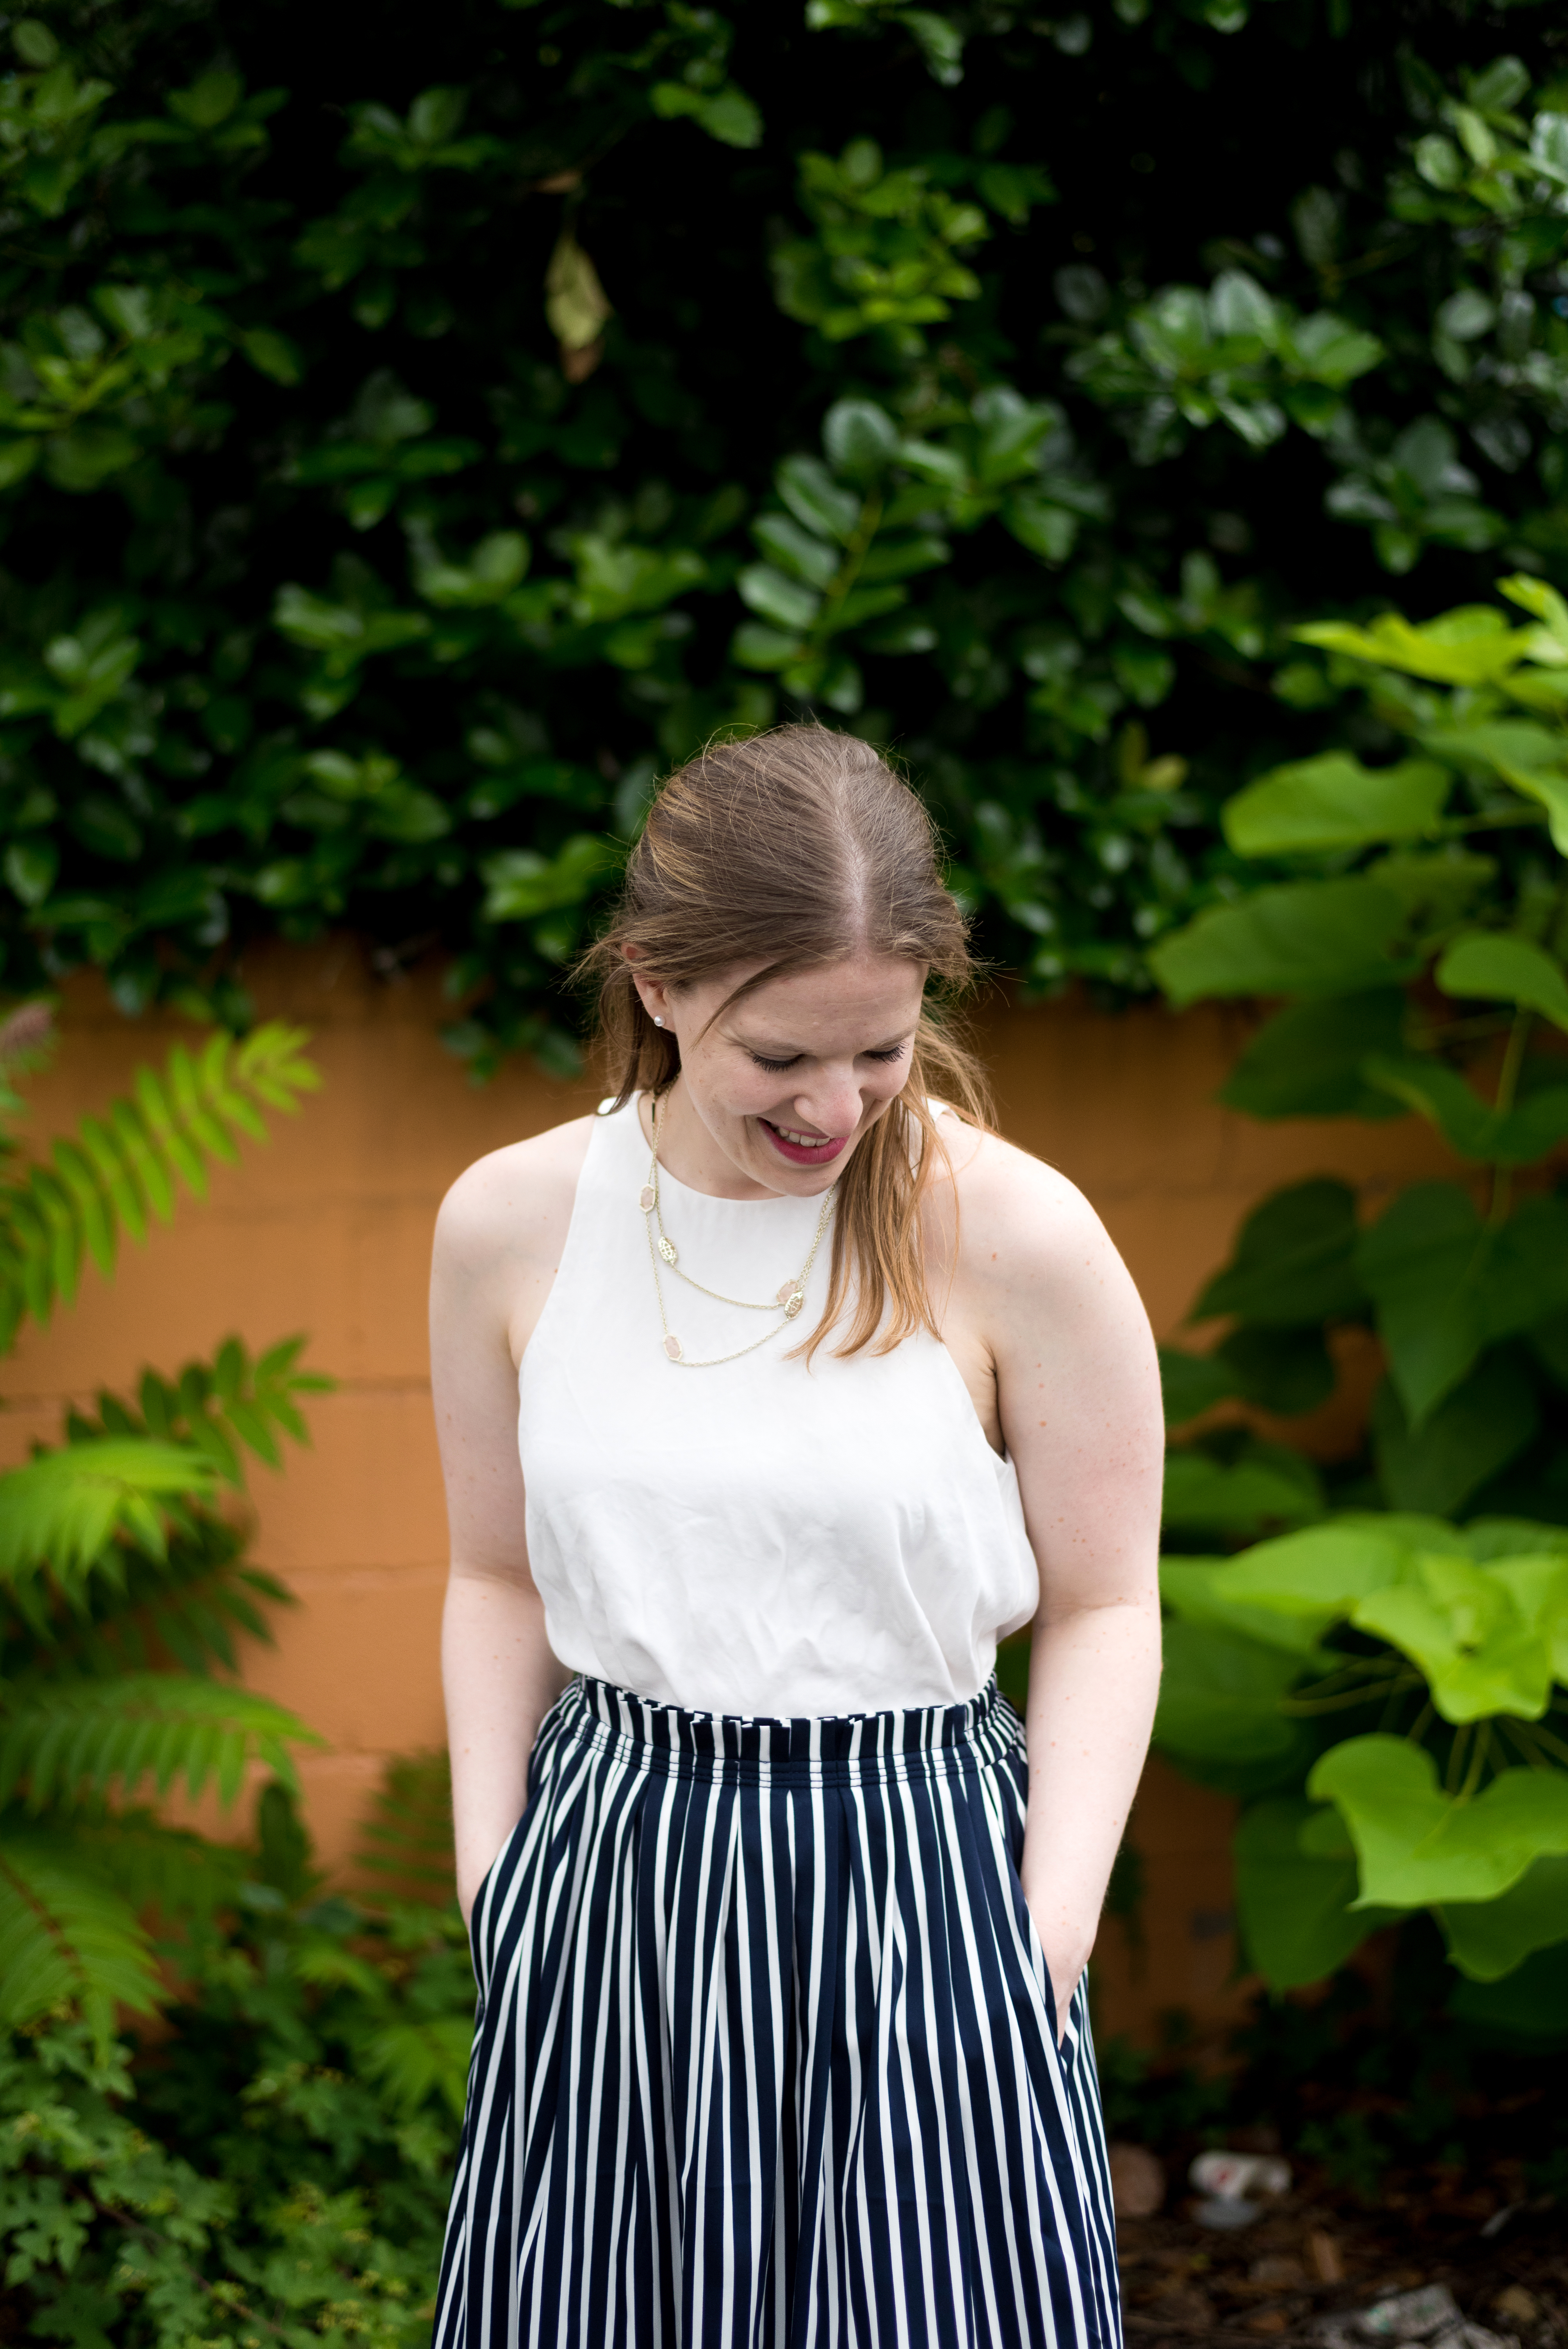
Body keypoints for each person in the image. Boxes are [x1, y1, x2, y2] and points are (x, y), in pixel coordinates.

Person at [429, 724, 1164, 2349]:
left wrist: (1042, 1934)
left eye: (881, 1051)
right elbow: (491, 1575)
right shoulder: (507, 1222)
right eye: (781, 1057)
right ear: (658, 986)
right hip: (617, 1866)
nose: (837, 1105)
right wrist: (494, 1876)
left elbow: (1109, 1603)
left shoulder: (1014, 1232)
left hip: (920, 1879)